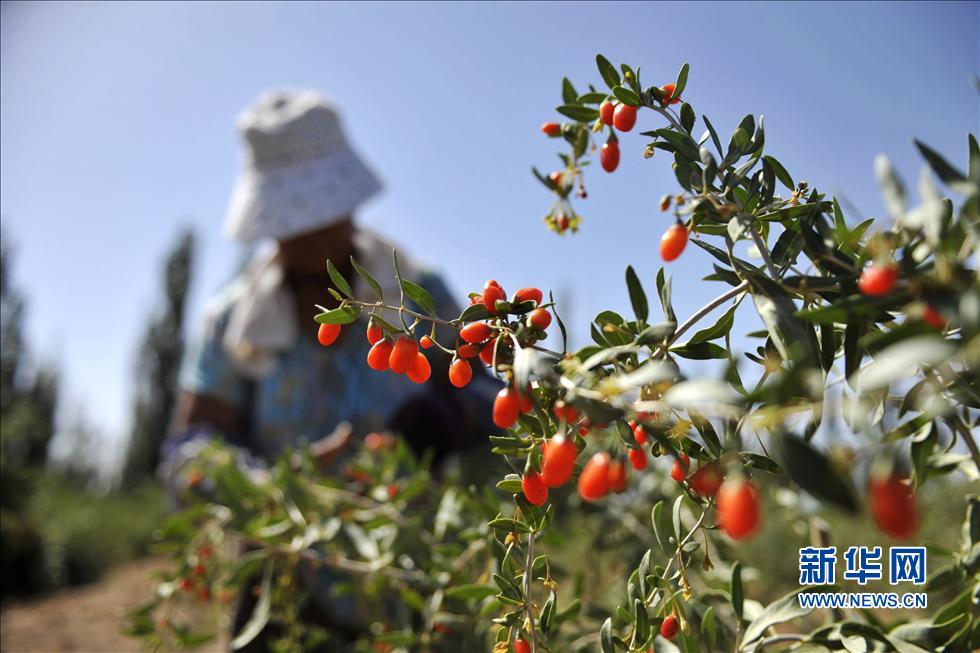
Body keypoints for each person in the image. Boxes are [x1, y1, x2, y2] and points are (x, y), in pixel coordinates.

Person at [159, 90, 496, 651]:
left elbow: (494, 392)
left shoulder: (418, 294)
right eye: (292, 226)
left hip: (414, 585)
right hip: (282, 593)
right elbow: (187, 453)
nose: (309, 239)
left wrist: (446, 414)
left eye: (320, 219)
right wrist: (269, 482)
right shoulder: (232, 324)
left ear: (348, 205)